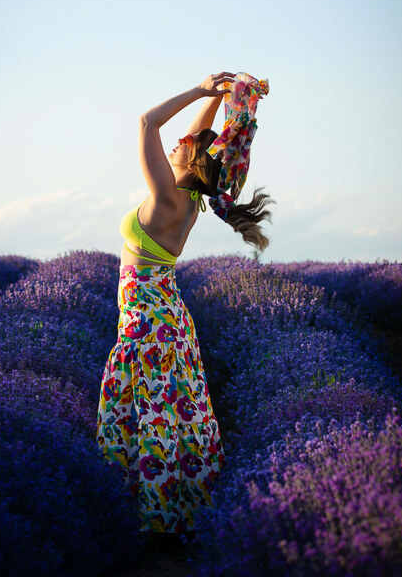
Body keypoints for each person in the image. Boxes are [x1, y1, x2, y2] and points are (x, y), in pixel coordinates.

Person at [96, 72, 274, 539]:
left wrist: (198, 90)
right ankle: (184, 517)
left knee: (148, 417)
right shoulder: (193, 195)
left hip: (148, 325)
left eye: (186, 143)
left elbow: (147, 122)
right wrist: (216, 101)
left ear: (191, 159)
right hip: (167, 320)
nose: (179, 140)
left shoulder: (167, 195)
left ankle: (152, 525)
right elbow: (198, 145)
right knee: (173, 413)